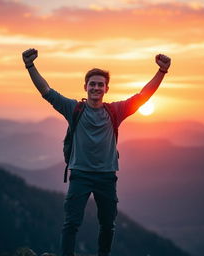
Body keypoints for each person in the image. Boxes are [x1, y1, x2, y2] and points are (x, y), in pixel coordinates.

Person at [22, 48, 171, 256]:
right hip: (80, 175)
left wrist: (162, 71)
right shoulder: (73, 108)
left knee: (107, 225)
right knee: (71, 223)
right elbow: (46, 90)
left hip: (106, 177)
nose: (96, 88)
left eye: (100, 84)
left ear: (106, 89)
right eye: (92, 84)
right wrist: (30, 66)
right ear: (85, 87)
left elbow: (142, 96)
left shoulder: (115, 112)